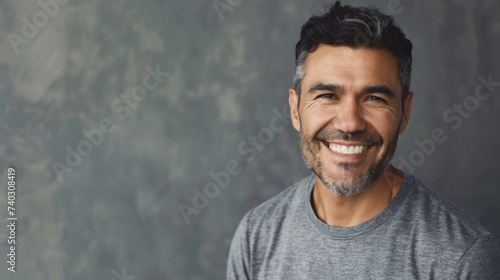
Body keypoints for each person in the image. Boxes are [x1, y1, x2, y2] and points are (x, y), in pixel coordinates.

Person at [226, 1, 500, 279]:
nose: (350, 123)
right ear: (295, 110)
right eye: (327, 95)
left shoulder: (464, 257)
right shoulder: (256, 236)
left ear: (405, 113)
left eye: (374, 99)